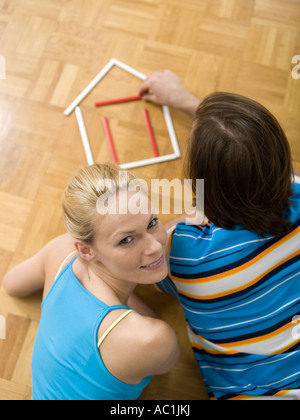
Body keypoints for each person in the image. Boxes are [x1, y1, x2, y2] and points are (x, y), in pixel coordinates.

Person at [139, 71, 300, 400]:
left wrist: (190, 217)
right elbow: (249, 152)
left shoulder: (184, 253)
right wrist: (185, 100)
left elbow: (148, 250)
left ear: (203, 187)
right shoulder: (296, 188)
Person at [2, 163, 180, 400]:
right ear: (86, 251)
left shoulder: (62, 252)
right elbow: (168, 362)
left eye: (152, 223)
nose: (157, 246)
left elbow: (11, 284)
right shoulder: (151, 340)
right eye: (127, 240)